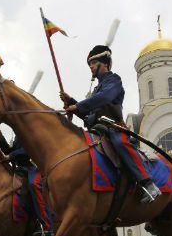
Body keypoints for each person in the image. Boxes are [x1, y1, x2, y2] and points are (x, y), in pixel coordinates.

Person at [62, 45, 161, 204]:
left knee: (119, 143)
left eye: (93, 63)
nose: (91, 67)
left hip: (114, 127)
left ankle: (148, 184)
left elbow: (105, 97)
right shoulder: (96, 91)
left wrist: (78, 105)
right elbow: (89, 115)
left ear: (104, 63)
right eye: (90, 64)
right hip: (98, 129)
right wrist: (72, 101)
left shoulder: (114, 80)